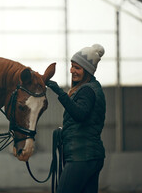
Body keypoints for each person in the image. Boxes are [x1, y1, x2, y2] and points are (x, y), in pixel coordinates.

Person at [46, 44, 106, 193]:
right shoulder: (93, 87)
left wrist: (60, 92)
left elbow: (80, 115)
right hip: (92, 156)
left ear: (87, 71)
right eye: (72, 66)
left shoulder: (87, 90)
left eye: (77, 68)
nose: (72, 70)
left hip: (81, 156)